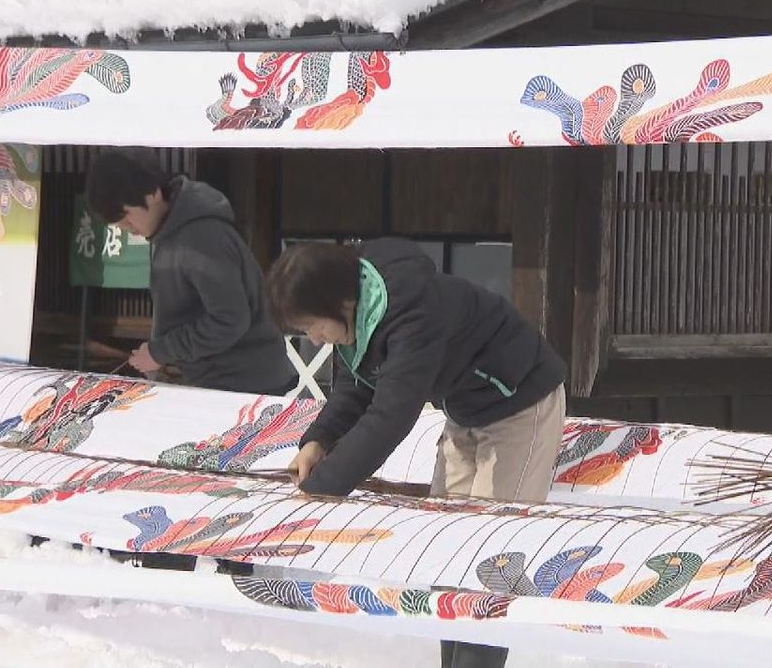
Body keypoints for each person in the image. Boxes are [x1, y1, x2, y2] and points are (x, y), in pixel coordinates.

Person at [267, 238, 567, 668]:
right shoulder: (361, 310)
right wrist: (318, 440)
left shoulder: (411, 313)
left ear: (340, 301)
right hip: (468, 408)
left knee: (489, 552)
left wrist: (326, 486)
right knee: (449, 551)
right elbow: (360, 382)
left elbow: (391, 414)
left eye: (312, 325)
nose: (313, 338)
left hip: (521, 401)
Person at [85, 148, 296, 396]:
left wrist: (160, 352)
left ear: (153, 194)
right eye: (118, 225)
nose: (126, 230)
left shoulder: (200, 238)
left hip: (241, 382)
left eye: (127, 219)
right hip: (223, 379)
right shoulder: (170, 230)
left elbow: (228, 320)